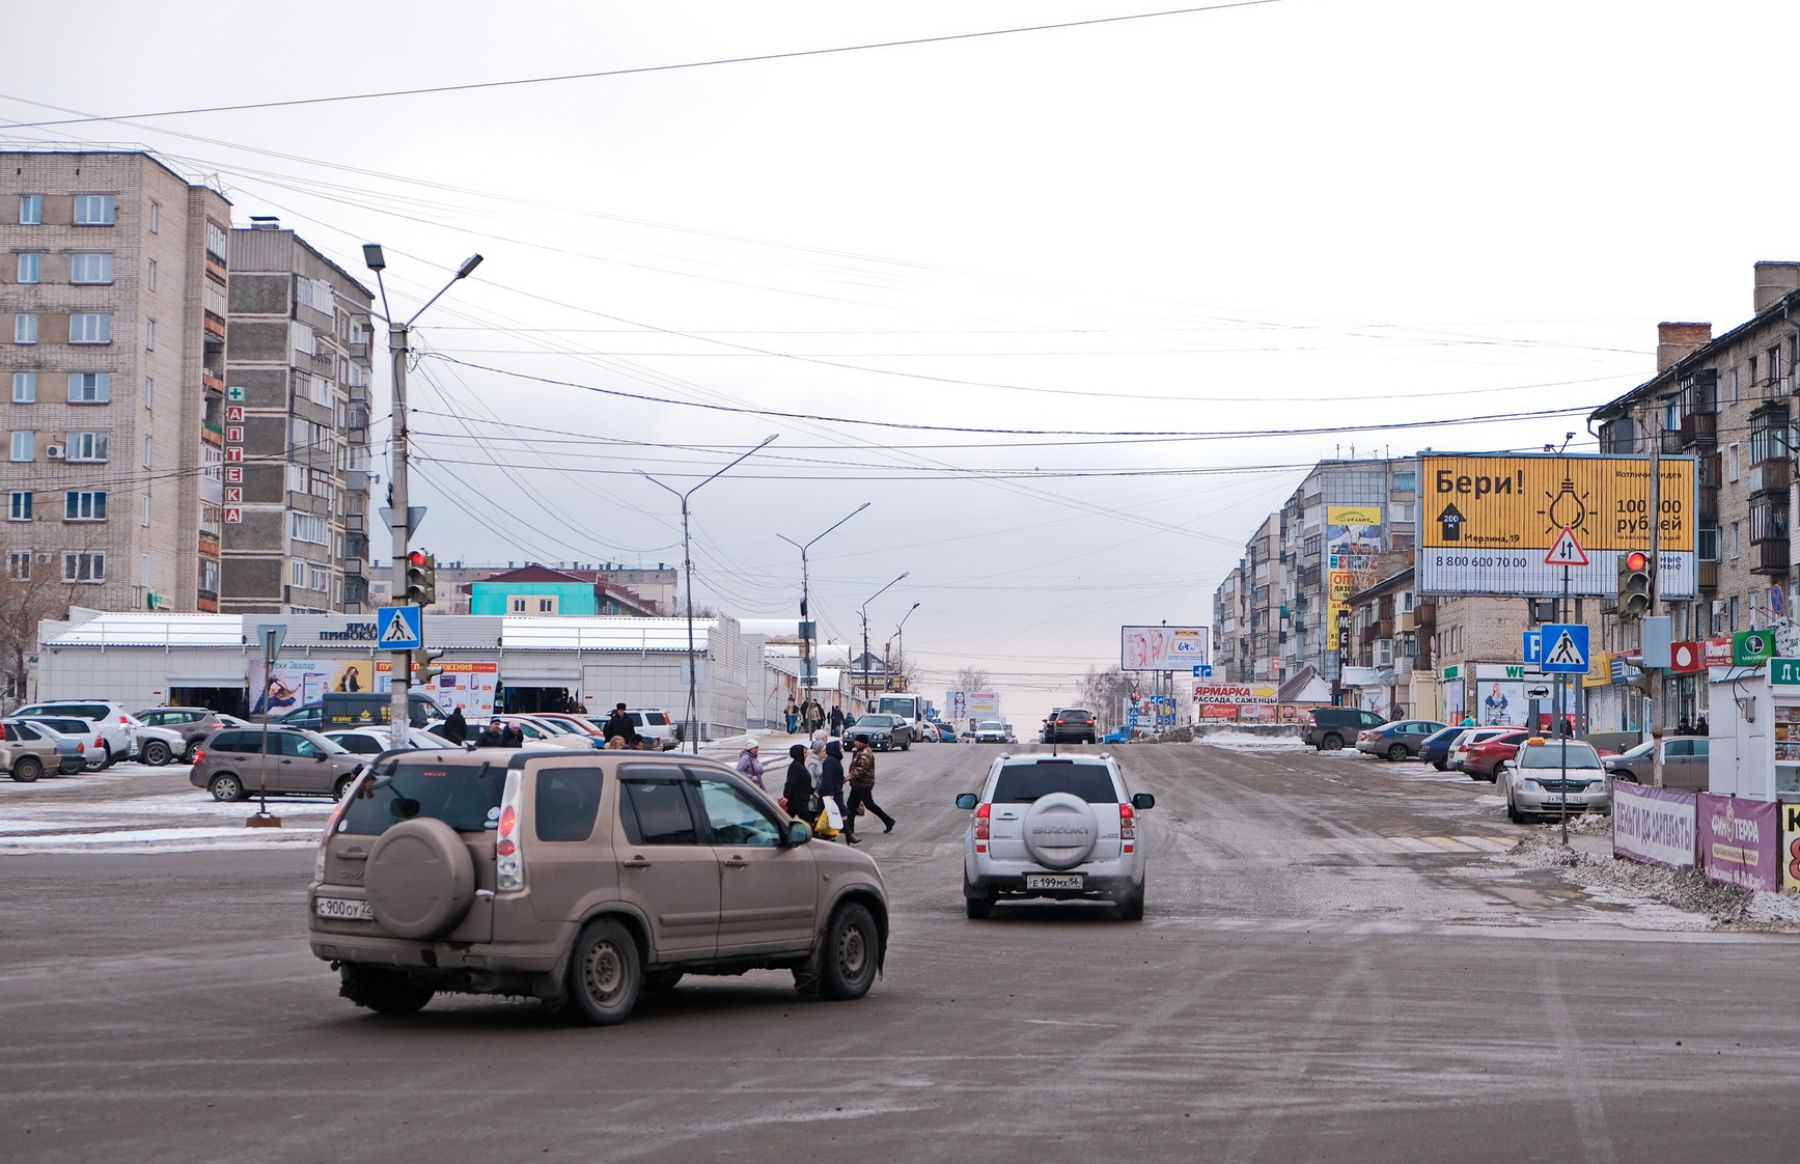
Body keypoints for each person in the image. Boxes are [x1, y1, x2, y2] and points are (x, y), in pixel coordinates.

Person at [843, 734, 895, 841]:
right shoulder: (860, 751)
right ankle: (849, 828)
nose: (854, 743)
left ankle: (888, 821)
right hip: (858, 784)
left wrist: (847, 778)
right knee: (851, 805)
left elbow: (860, 770)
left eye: (856, 741)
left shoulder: (865, 754)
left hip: (863, 784)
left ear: (862, 742)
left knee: (869, 805)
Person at [819, 739, 852, 843]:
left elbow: (835, 774)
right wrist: (830, 793)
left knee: (834, 814)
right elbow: (827, 778)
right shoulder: (830, 761)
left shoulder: (834, 760)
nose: (841, 750)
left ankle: (829, 835)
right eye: (839, 748)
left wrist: (843, 779)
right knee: (841, 813)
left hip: (836, 790)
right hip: (832, 792)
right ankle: (848, 835)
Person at [781, 744, 813, 821]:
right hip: (797, 801)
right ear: (799, 754)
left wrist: (813, 791)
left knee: (787, 820)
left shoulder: (800, 765)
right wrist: (786, 796)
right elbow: (790, 782)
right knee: (806, 821)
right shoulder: (795, 766)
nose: (806, 755)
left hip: (801, 799)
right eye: (804, 752)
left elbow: (804, 781)